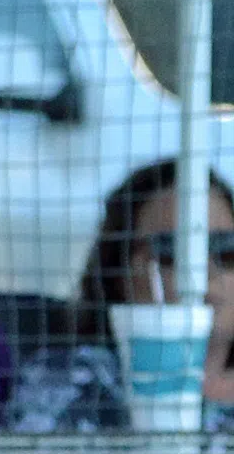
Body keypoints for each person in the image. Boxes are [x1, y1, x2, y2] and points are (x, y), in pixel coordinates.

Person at [81, 157, 234, 429]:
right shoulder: (77, 382)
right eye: (171, 250)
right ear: (120, 273)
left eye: (226, 250)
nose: (204, 270)